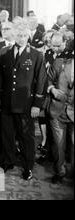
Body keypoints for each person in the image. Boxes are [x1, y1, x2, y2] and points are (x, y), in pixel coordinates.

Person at [0, 22, 46, 180]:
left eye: (25, 35)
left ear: (28, 36)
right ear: (14, 35)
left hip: (26, 104)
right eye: (19, 35)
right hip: (6, 102)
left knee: (26, 137)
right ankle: (8, 160)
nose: (22, 38)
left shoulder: (36, 55)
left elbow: (41, 81)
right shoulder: (5, 53)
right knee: (7, 134)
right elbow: (0, 79)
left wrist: (37, 105)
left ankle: (28, 166)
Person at [48, 56, 74, 184]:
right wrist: (52, 90)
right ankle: (60, 171)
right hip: (57, 110)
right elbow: (48, 81)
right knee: (59, 145)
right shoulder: (60, 63)